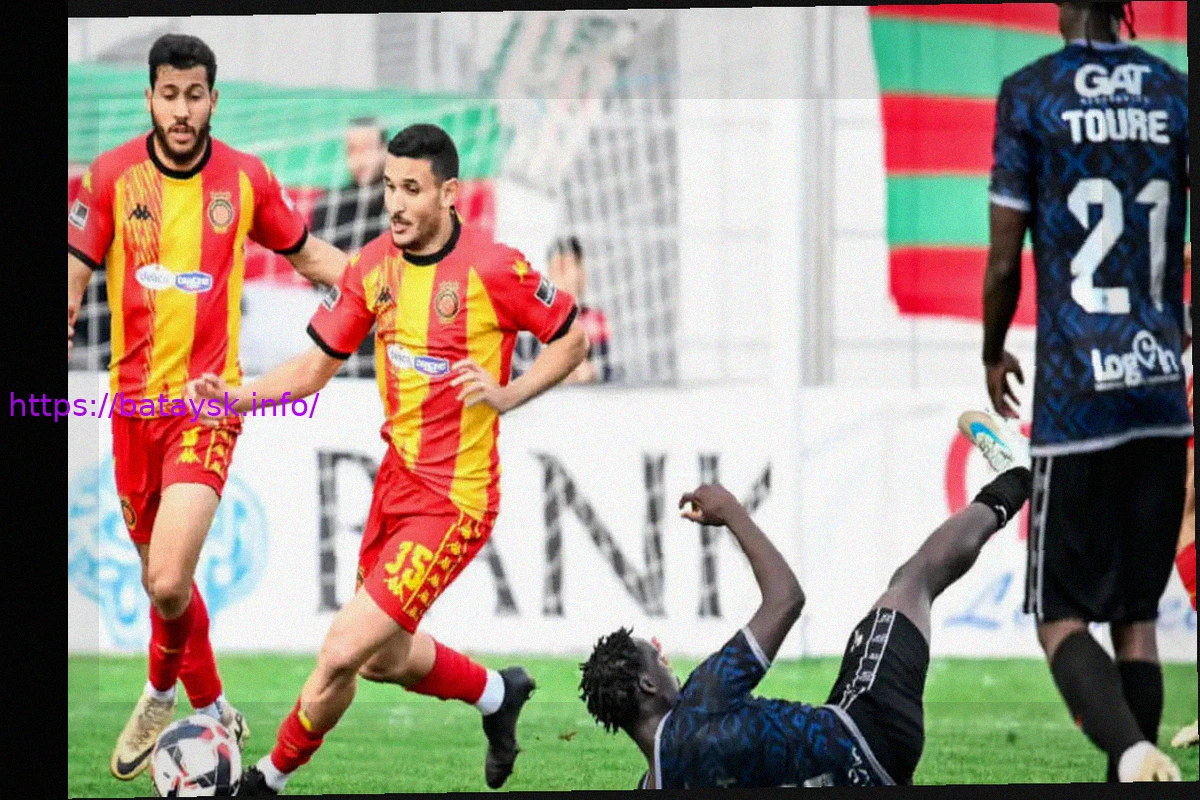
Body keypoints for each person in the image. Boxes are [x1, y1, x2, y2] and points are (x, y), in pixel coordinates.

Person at [188, 123, 589, 795]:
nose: (395, 204)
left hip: (455, 501)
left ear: (449, 194)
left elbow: (571, 339)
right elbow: (312, 369)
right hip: (395, 486)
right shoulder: (375, 265)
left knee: (342, 649)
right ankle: (498, 695)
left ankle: (264, 780)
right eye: (389, 188)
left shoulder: (494, 268)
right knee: (378, 660)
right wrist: (236, 398)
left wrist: (508, 394)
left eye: (411, 190)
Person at [579, 412, 1181, 788]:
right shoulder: (702, 699)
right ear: (648, 686)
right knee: (911, 581)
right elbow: (785, 599)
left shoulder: (654, 784)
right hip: (869, 733)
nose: (666, 660)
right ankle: (1017, 480)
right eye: (656, 659)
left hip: (852, 768)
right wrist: (732, 512)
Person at [66, 33, 348, 782]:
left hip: (208, 405)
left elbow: (308, 254)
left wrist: (389, 285)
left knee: (166, 580)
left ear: (214, 99)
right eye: (170, 95)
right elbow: (72, 274)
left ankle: (161, 692)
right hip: (131, 414)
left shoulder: (245, 178)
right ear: (150, 98)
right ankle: (214, 708)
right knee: (165, 587)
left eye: (195, 96)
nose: (183, 110)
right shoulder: (110, 177)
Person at [981, 0, 1190, 781]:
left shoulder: (1031, 94)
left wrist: (992, 350)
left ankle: (1131, 751)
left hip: (1078, 402)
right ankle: (1134, 770)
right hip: (1160, 394)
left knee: (1059, 617)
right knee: (1136, 620)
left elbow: (1005, 261)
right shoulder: (1173, 92)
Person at [513, 236, 612, 383]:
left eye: (567, 266)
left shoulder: (594, 319)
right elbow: (518, 374)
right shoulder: (529, 322)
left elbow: (607, 371)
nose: (561, 273)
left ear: (581, 271)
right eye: (557, 267)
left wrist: (590, 373)